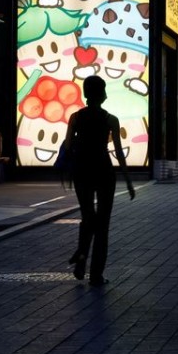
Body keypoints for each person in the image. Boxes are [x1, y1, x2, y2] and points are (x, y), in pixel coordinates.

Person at [63, 75, 135, 287]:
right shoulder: (110, 119)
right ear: (102, 94)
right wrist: (129, 181)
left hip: (82, 170)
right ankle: (96, 275)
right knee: (102, 224)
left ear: (86, 93)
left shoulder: (75, 118)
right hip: (104, 170)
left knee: (87, 216)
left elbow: (67, 146)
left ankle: (82, 252)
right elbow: (119, 153)